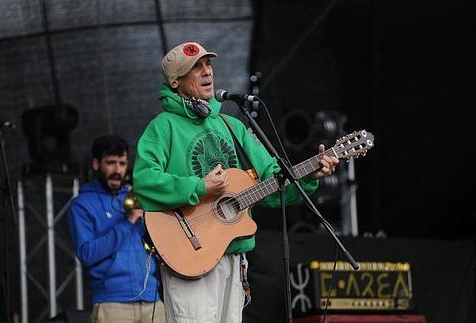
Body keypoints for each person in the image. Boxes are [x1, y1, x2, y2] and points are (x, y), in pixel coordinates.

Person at [132, 42, 340, 323]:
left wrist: (311, 176)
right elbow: (144, 180)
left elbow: (272, 183)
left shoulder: (233, 125)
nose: (207, 72)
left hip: (232, 255)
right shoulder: (163, 126)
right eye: (196, 67)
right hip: (187, 253)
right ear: (175, 82)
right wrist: (200, 188)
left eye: (208, 64)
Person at [67, 135, 165, 323]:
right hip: (112, 303)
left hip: (152, 298)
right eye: (111, 163)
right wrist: (127, 222)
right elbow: (86, 253)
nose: (117, 170)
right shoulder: (81, 205)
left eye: (122, 163)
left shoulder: (136, 197)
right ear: (96, 164)